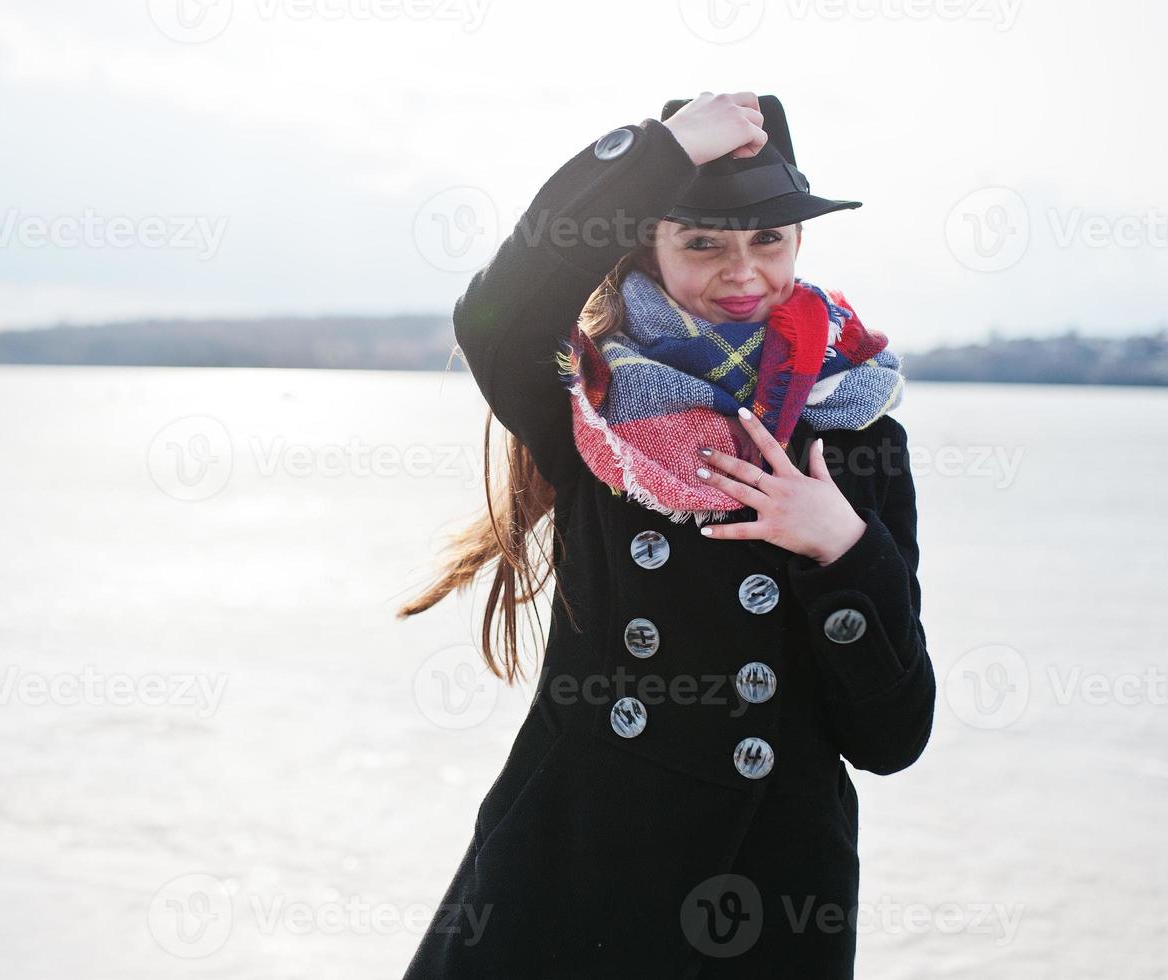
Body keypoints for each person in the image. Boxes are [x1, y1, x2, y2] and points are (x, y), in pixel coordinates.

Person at [396, 91, 936, 979]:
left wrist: (840, 548)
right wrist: (656, 152)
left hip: (770, 894)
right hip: (577, 871)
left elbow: (892, 737)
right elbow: (494, 312)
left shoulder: (857, 431)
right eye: (702, 242)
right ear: (644, 243)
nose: (743, 273)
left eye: (769, 240)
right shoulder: (588, 400)